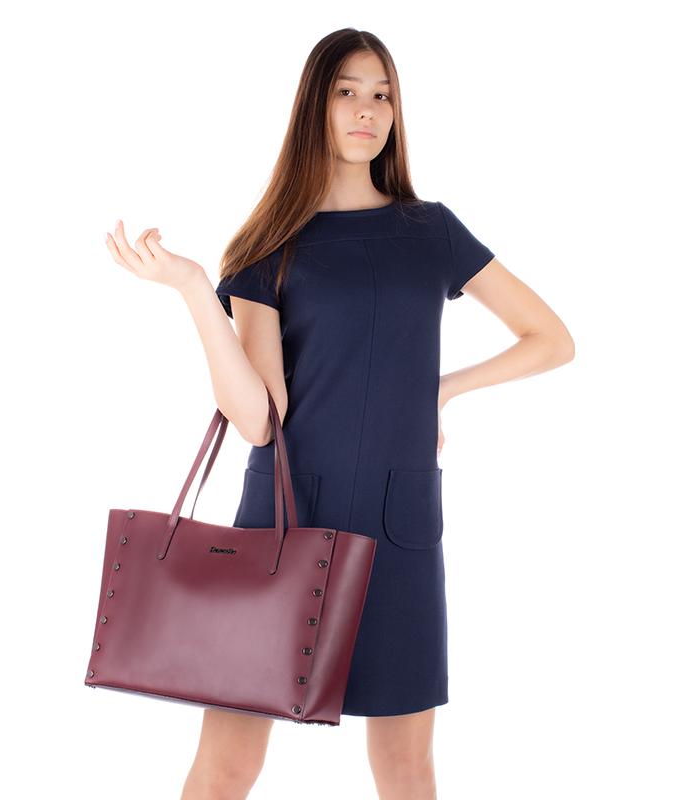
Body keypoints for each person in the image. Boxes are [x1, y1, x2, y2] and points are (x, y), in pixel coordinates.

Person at [105, 27, 574, 800]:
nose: (367, 111)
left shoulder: (432, 231)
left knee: (406, 768)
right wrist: (195, 291)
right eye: (347, 92)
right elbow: (259, 418)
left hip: (399, 527)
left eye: (381, 95)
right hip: (285, 518)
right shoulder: (269, 244)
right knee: (227, 766)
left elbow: (551, 340)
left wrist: (442, 388)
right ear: (314, 108)